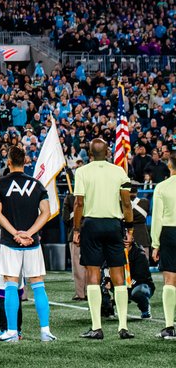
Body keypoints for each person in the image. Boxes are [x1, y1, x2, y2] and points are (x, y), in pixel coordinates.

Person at [0, 146, 56, 342]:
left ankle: (11, 331)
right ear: (25, 162)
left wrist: (15, 234)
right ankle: (45, 331)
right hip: (32, 243)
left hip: (10, 242)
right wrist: (29, 233)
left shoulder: (0, 184)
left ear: (9, 161)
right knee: (38, 284)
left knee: (11, 283)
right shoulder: (37, 185)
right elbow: (46, 212)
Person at [73, 138, 135, 339]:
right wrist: (130, 229)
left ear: (89, 154)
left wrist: (76, 229)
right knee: (118, 275)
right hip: (113, 224)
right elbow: (126, 204)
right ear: (108, 153)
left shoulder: (82, 171)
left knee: (93, 274)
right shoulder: (118, 171)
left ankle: (96, 327)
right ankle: (123, 327)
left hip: (91, 224)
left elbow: (79, 203)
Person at [151, 154, 176, 339]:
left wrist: (155, 244)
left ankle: (169, 327)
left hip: (169, 232)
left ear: (169, 165)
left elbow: (157, 218)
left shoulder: (162, 187)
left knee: (170, 280)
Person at [63, 191, 86, 300]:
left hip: (76, 234)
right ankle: (92, 291)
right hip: (94, 231)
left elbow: (65, 218)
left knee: (78, 265)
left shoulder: (71, 198)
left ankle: (80, 293)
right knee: (94, 265)